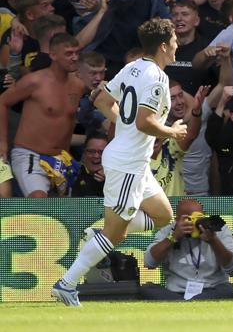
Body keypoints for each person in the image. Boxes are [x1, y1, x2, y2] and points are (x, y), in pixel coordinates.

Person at [52, 19, 188, 306]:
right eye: (175, 40)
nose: (178, 44)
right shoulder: (157, 78)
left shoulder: (133, 66)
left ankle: (102, 231)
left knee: (164, 216)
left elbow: (101, 100)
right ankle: (67, 283)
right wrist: (173, 131)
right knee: (116, 234)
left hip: (134, 162)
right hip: (127, 164)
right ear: (164, 46)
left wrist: (124, 125)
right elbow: (145, 121)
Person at [0, 34, 86, 197]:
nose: (74, 58)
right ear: (53, 55)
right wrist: (2, 143)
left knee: (63, 212)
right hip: (30, 154)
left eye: (77, 53)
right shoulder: (34, 81)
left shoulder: (79, 85)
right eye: (68, 53)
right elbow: (2, 102)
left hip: (62, 158)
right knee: (38, 200)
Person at [141, 198, 233, 301]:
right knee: (147, 289)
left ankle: (183, 304)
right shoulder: (168, 230)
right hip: (176, 292)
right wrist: (172, 238)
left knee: (228, 289)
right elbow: (149, 262)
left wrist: (213, 241)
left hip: (211, 288)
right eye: (189, 219)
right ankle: (191, 303)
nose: (194, 223)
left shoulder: (218, 229)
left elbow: (231, 268)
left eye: (198, 218)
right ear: (177, 220)